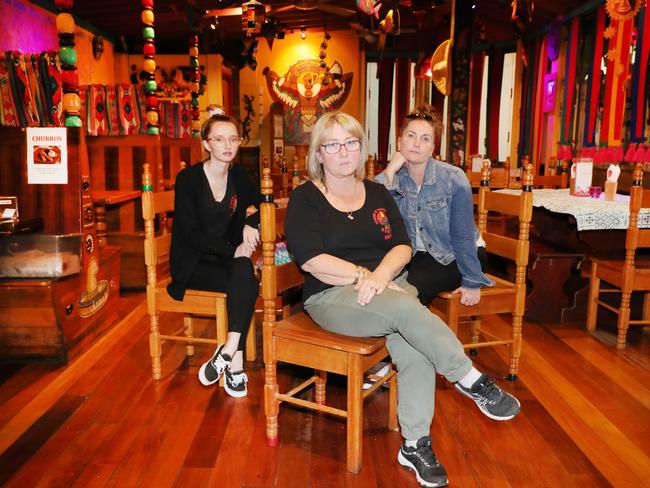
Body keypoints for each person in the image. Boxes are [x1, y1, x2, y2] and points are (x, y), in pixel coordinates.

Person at [285, 111, 520, 488]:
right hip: (332, 295)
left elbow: (402, 245)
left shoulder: (378, 192)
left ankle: (414, 443)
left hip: (387, 285)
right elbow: (314, 261)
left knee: (414, 345)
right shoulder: (305, 198)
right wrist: (366, 277)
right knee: (407, 310)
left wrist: (380, 277)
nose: (344, 152)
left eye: (351, 142)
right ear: (319, 153)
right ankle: (469, 378)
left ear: (361, 149)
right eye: (333, 144)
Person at [167, 114, 260, 398]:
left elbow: (261, 201)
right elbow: (191, 235)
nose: (228, 145)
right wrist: (233, 250)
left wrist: (250, 222)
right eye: (219, 139)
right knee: (245, 276)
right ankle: (235, 364)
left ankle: (230, 352)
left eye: (233, 139)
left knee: (245, 272)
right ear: (206, 143)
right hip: (192, 262)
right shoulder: (188, 180)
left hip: (225, 260)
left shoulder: (240, 175)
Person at [375, 107, 494, 307]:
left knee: (404, 293)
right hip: (416, 256)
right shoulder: (390, 178)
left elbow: (462, 236)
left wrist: (472, 281)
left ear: (432, 149)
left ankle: (408, 335)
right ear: (399, 141)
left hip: (459, 256)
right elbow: (376, 220)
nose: (416, 143)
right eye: (411, 136)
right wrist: (389, 174)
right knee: (382, 285)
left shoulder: (453, 179)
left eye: (425, 139)